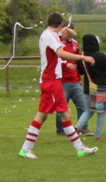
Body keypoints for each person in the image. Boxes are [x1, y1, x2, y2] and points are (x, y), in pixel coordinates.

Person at [18, 13, 98, 159]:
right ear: (60, 25)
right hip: (50, 80)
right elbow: (61, 53)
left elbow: (73, 35)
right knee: (42, 115)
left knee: (66, 115)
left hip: (54, 81)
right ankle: (25, 149)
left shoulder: (51, 34)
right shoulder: (50, 35)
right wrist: (83, 57)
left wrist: (66, 30)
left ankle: (80, 149)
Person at [75, 34, 106, 141]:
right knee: (101, 112)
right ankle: (98, 136)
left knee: (88, 110)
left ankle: (78, 126)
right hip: (101, 87)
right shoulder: (99, 55)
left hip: (88, 87)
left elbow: (80, 72)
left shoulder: (81, 56)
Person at [54, 24, 90, 136]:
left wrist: (79, 77)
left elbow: (77, 61)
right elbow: (56, 58)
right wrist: (66, 63)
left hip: (75, 80)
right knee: (62, 106)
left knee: (82, 104)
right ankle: (61, 130)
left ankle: (82, 127)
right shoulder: (58, 43)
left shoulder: (75, 44)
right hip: (62, 80)